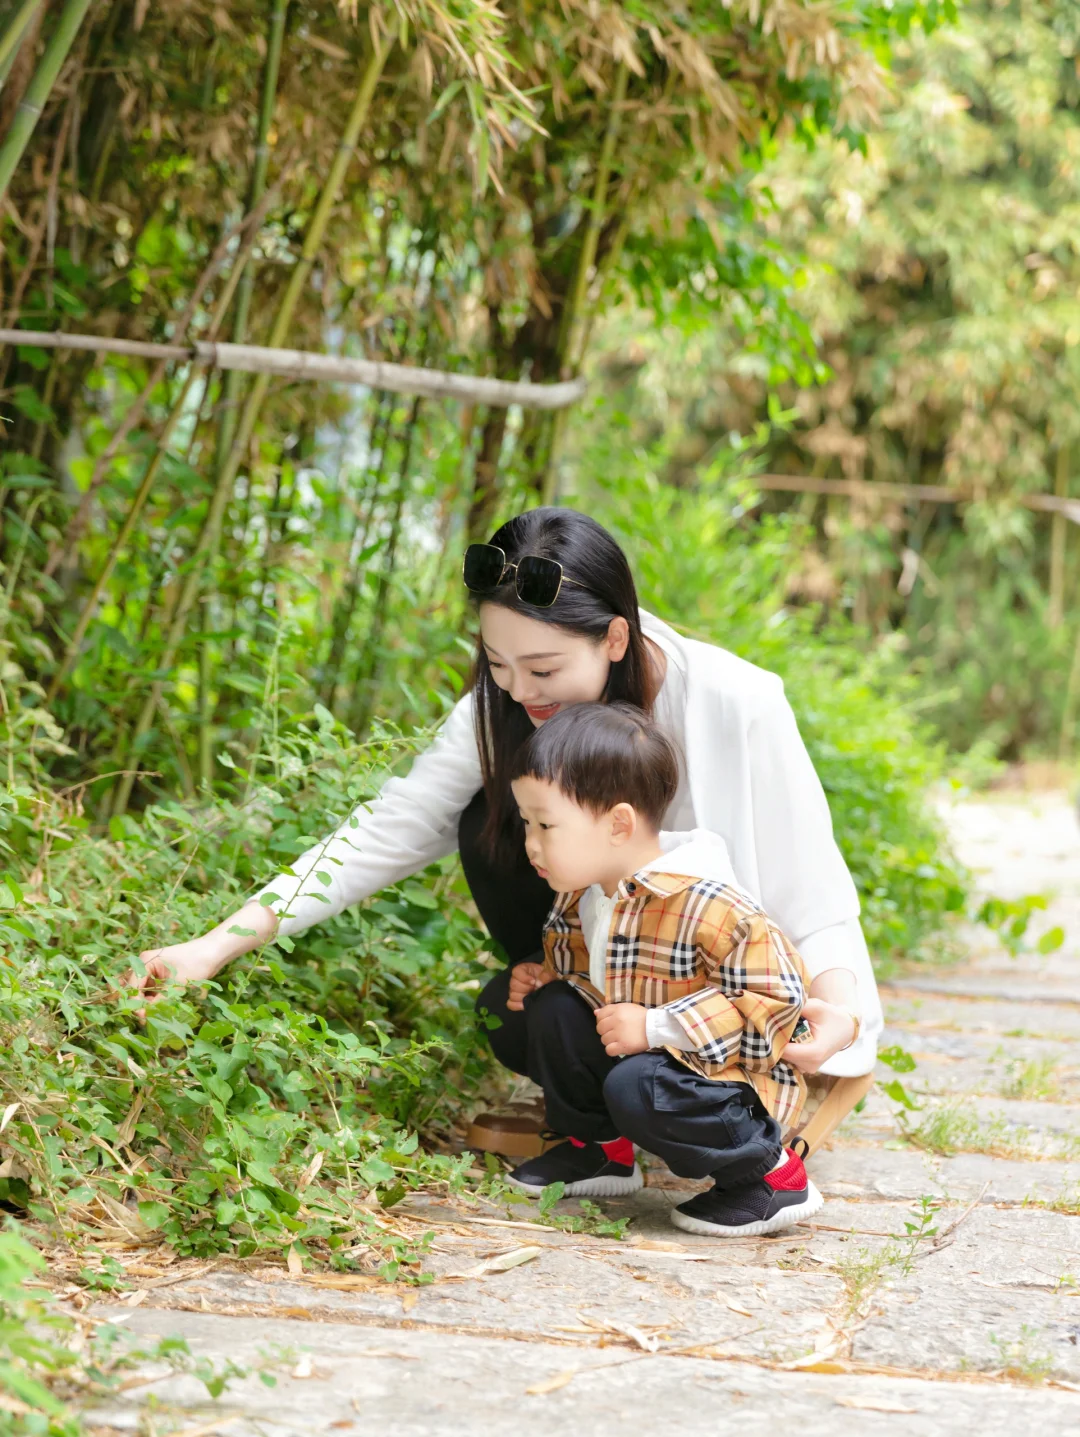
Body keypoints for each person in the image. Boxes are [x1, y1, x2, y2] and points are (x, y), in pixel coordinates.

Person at [131, 508, 881, 1140]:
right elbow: (385, 829)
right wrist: (215, 944)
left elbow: (811, 893)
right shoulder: (501, 708)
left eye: (545, 670)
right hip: (610, 980)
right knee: (491, 884)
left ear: (615, 639)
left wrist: (836, 1009)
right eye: (497, 663)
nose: (521, 692)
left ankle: (686, 1103)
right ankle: (590, 1084)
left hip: (723, 997)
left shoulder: (735, 701)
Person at [502, 701, 822, 1237]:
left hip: (723, 1080)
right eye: (526, 823)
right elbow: (599, 977)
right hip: (644, 1061)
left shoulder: (709, 903)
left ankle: (768, 1175)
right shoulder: (584, 891)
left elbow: (778, 997)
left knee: (639, 1081)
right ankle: (603, 1153)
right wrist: (553, 979)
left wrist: (654, 1028)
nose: (531, 843)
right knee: (548, 1010)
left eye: (546, 825)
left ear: (618, 824)